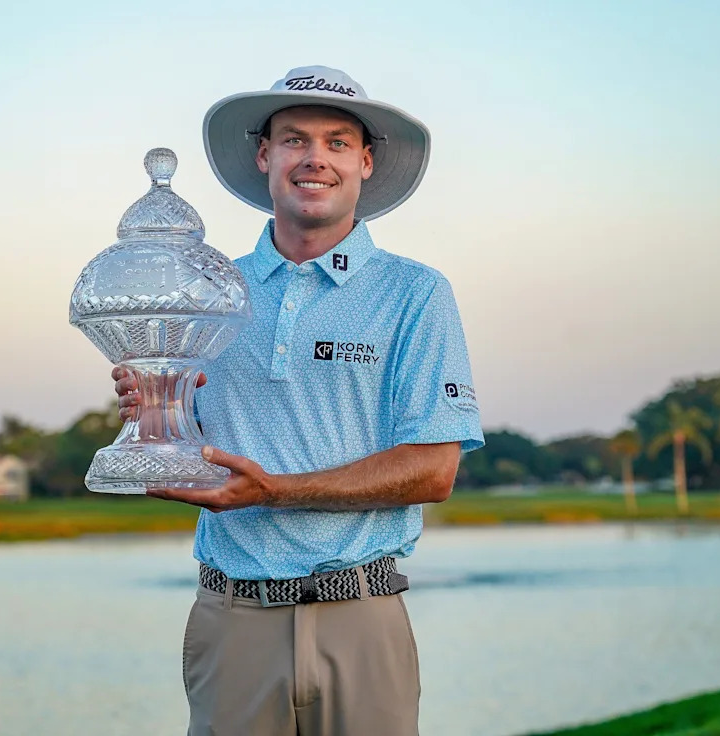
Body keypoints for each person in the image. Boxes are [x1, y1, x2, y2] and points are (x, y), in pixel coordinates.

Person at [112, 66, 484, 736]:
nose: (315, 158)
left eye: (338, 142)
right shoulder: (206, 292)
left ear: (365, 162)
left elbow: (434, 469)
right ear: (264, 156)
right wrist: (150, 411)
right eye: (294, 140)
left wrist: (273, 490)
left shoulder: (415, 293)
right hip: (233, 623)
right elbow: (181, 443)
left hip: (362, 618)